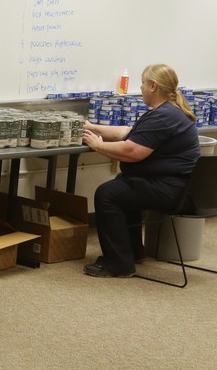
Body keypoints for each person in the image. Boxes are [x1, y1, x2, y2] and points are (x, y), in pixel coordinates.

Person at [82, 63, 200, 278]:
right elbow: (128, 132)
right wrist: (92, 128)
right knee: (124, 184)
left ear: (153, 86)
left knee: (108, 194)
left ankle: (118, 264)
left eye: (143, 83)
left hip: (168, 190)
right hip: (170, 185)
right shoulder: (168, 111)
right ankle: (133, 252)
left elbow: (133, 151)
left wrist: (98, 146)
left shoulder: (164, 116)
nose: (141, 88)